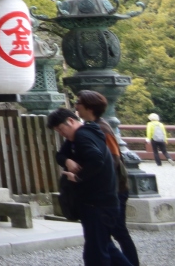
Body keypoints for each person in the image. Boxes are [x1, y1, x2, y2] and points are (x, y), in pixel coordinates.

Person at [48, 107, 135, 266]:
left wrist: (78, 177)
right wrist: (67, 160)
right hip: (101, 202)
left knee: (96, 253)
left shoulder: (82, 136)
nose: (61, 133)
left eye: (60, 129)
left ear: (70, 121)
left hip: (98, 203)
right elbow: (60, 155)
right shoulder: (79, 136)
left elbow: (96, 159)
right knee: (106, 247)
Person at [74, 92, 139, 266]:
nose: (76, 106)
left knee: (118, 232)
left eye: (78, 102)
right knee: (107, 236)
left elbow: (114, 158)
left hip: (115, 188)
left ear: (89, 107)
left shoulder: (102, 128)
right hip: (109, 189)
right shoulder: (91, 127)